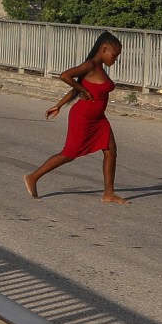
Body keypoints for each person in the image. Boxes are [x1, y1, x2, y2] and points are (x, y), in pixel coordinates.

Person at [25, 31, 128, 204]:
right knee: (69, 154)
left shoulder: (98, 68)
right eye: (114, 55)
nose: (115, 59)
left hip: (99, 118)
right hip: (84, 117)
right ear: (104, 49)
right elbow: (65, 76)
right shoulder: (90, 65)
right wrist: (85, 92)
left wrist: (59, 105)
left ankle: (108, 193)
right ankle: (33, 177)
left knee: (111, 150)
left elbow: (75, 88)